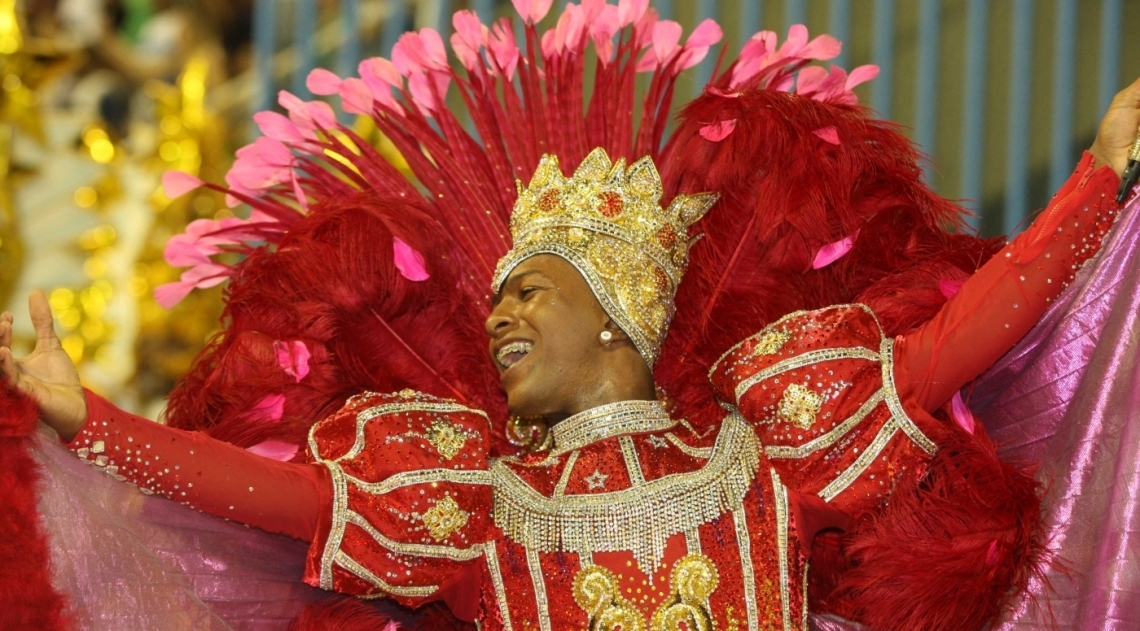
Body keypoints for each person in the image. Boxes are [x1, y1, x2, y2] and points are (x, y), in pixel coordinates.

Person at [3, 3, 1140, 629]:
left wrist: (1097, 177)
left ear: (617, 321)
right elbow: (267, 496)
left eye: (528, 294)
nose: (499, 322)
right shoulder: (468, 501)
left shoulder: (767, 448)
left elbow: (964, 338)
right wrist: (83, 418)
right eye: (496, 301)